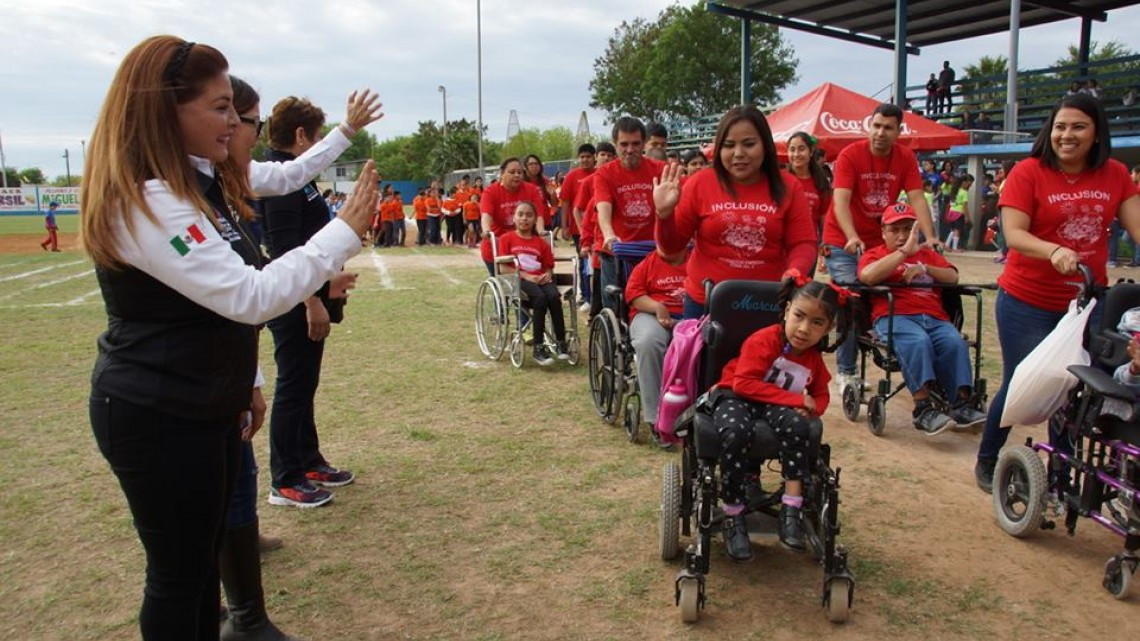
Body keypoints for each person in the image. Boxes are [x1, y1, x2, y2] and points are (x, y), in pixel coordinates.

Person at [80, 36, 377, 640]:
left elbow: (232, 296)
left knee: (198, 566)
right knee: (180, 578)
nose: (235, 123)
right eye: (219, 108)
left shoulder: (192, 185)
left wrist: (246, 382)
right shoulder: (148, 197)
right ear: (167, 110)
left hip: (201, 403)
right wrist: (342, 232)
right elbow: (249, 297)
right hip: (160, 411)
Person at [974, 93, 1140, 493]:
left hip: (1087, 301)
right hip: (1028, 299)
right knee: (1027, 378)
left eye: (1078, 127)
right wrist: (1054, 251)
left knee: (1077, 385)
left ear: (1097, 132)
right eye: (1060, 126)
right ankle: (989, 456)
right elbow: (1014, 234)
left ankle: (1062, 469)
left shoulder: (1115, 174)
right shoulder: (1028, 172)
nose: (1066, 135)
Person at [260, 95, 359, 508]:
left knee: (305, 383)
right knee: (293, 385)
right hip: (295, 301)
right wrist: (310, 303)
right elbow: (285, 249)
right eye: (318, 136)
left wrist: (328, 280)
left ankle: (307, 458)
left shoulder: (296, 179)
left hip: (312, 291)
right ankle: (284, 479)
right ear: (300, 136)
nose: (319, 143)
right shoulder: (280, 181)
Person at [712, 278, 850, 560]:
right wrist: (797, 399)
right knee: (736, 432)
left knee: (798, 426)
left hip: (773, 405)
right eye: (799, 316)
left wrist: (812, 409)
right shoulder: (764, 339)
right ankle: (733, 513)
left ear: (829, 328)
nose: (803, 329)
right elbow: (743, 384)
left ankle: (791, 506)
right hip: (735, 396)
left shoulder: (812, 358)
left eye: (816, 323)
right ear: (787, 310)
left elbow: (821, 394)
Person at [655, 106, 817, 318]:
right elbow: (671, 248)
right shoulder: (699, 184)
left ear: (765, 146)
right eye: (729, 145)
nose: (739, 154)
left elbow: (803, 242)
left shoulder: (789, 186)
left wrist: (795, 271)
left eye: (749, 144)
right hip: (705, 303)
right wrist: (664, 215)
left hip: (767, 302)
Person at [821, 103, 939, 393]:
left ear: (899, 131)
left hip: (878, 238)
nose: (880, 133)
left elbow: (917, 198)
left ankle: (886, 339)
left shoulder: (905, 157)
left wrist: (931, 236)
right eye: (876, 126)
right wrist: (851, 236)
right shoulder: (851, 155)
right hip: (842, 239)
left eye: (887, 128)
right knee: (851, 296)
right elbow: (841, 202)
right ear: (868, 127)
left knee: (887, 293)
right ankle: (846, 371)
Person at [857, 203, 988, 435]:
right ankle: (923, 408)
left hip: (934, 317)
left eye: (908, 229)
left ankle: (960, 404)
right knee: (918, 341)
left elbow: (953, 277)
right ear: (883, 232)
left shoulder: (928, 255)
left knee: (954, 342)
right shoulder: (875, 254)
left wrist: (924, 267)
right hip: (894, 316)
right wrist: (903, 254)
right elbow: (867, 276)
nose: (901, 235)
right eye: (894, 230)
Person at [595, 117, 667, 310]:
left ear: (644, 143)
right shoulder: (605, 174)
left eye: (635, 144)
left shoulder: (659, 169)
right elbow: (603, 207)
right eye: (623, 144)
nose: (630, 149)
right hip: (618, 251)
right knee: (615, 306)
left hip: (653, 251)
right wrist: (609, 233)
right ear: (615, 145)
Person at [625, 246, 687, 438]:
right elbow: (634, 296)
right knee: (649, 342)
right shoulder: (647, 264)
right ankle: (656, 417)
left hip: (687, 317)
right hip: (650, 315)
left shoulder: (697, 261)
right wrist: (658, 307)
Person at [497, 201, 569, 365]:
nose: (524, 219)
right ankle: (538, 347)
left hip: (541, 278)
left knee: (553, 296)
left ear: (535, 219)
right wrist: (526, 276)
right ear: (514, 218)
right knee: (540, 298)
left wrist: (547, 274)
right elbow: (502, 268)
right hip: (518, 278)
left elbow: (549, 266)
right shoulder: (507, 239)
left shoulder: (540, 243)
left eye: (529, 215)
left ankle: (560, 343)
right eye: (520, 214)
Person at [480, 157, 549, 276]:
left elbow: (538, 215)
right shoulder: (491, 192)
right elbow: (486, 215)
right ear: (502, 174)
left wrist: (541, 230)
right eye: (512, 172)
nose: (516, 175)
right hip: (497, 246)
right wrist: (486, 230)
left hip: (524, 247)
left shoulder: (531, 189)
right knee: (506, 284)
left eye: (519, 172)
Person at [785, 131, 833, 276]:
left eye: (801, 149)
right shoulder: (781, 181)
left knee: (801, 290)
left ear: (811, 152)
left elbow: (825, 218)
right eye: (792, 149)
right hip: (781, 246)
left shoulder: (821, 183)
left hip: (807, 248)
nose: (796, 154)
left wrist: (823, 246)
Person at [560, 144, 597, 300]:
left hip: (598, 227)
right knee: (584, 261)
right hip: (578, 228)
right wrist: (564, 226)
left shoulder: (599, 174)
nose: (585, 160)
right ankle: (585, 294)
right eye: (582, 157)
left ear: (594, 157)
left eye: (588, 156)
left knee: (596, 263)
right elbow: (566, 203)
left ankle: (595, 294)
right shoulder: (572, 176)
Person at [944, 174, 973, 251]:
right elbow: (965, 206)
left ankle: (947, 244)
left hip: (951, 212)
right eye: (968, 183)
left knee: (953, 230)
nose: (969, 185)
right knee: (957, 230)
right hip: (959, 213)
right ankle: (954, 247)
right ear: (964, 182)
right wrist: (967, 216)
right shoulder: (964, 192)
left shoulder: (955, 190)